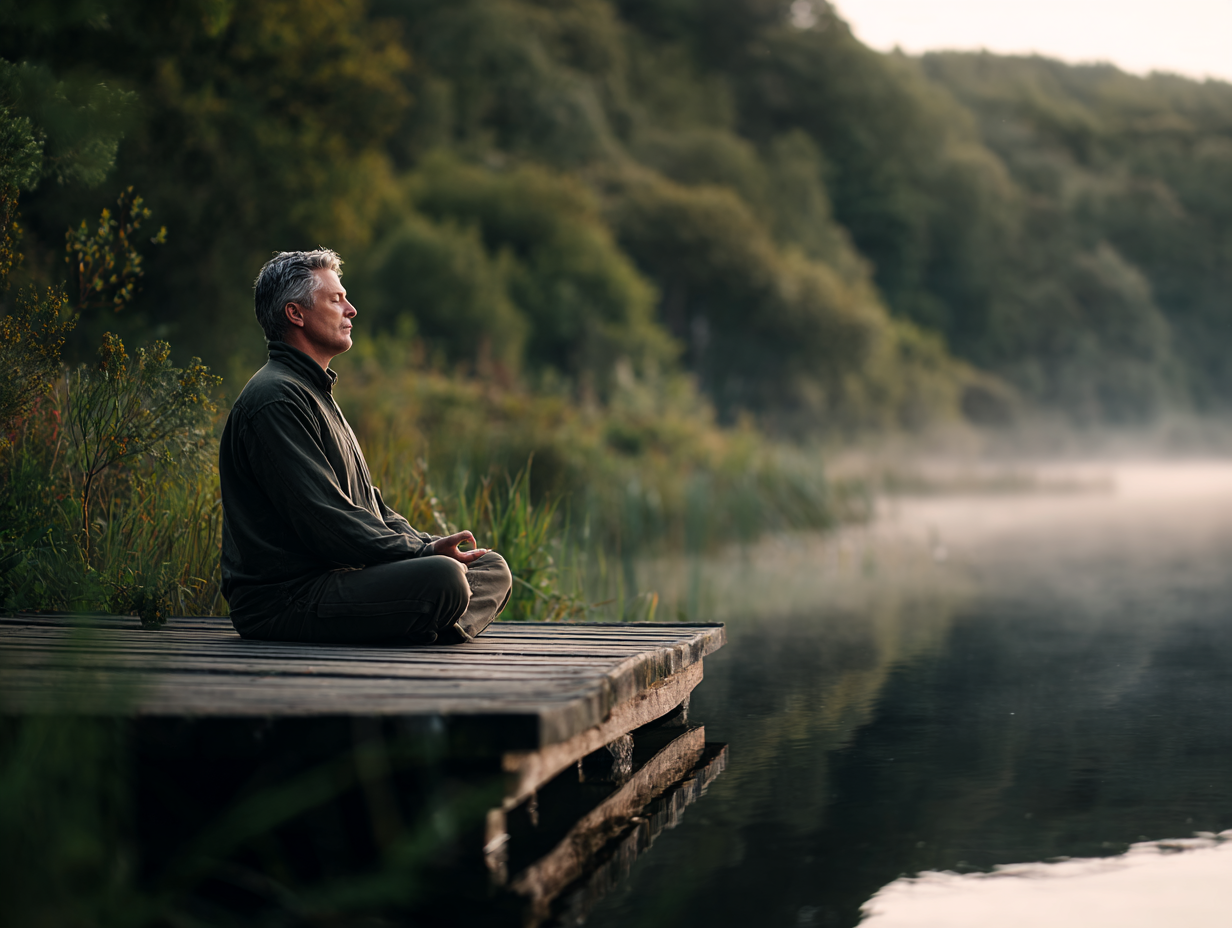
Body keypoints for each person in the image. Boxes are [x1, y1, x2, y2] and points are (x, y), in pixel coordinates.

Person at [219, 249, 512, 644]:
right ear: (296, 314)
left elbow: (369, 508)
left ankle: (434, 624)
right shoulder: (275, 399)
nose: (351, 309)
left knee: (490, 567)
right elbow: (327, 522)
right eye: (336, 299)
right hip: (286, 600)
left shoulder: (313, 391)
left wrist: (425, 544)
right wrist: (421, 556)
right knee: (442, 578)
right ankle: (432, 620)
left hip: (341, 580)